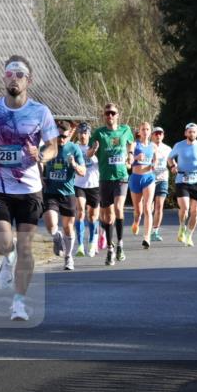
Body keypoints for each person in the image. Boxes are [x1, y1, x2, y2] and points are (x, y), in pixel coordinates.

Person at [0, 55, 58, 321]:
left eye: (19, 75)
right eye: (9, 74)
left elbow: (54, 146)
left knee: (25, 248)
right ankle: (6, 261)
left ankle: (19, 301)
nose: (14, 79)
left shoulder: (40, 112)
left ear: (28, 80)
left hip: (30, 190)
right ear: (3, 78)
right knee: (3, 242)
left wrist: (41, 156)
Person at [86, 104, 135, 265]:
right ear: (104, 115)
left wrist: (131, 154)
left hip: (121, 176)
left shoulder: (125, 129)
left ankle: (120, 243)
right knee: (107, 216)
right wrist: (94, 149)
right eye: (107, 113)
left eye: (113, 113)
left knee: (119, 208)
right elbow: (88, 153)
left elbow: (131, 143)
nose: (110, 116)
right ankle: (110, 249)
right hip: (105, 178)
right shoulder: (99, 133)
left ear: (117, 115)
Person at [41, 121, 86, 270]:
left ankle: (68, 257)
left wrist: (74, 165)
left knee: (68, 227)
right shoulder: (47, 147)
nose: (61, 139)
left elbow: (83, 171)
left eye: (64, 137)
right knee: (51, 224)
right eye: (59, 136)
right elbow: (38, 164)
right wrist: (41, 177)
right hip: (50, 193)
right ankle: (56, 236)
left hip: (68, 193)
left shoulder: (74, 149)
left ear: (69, 136)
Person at [168, 122, 197, 247]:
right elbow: (170, 157)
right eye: (189, 131)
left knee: (195, 212)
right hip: (181, 180)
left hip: (196, 181)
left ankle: (189, 235)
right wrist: (173, 166)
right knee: (185, 208)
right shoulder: (179, 145)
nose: (192, 133)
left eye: (194, 131)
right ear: (185, 133)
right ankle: (182, 227)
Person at [128, 121, 158, 249]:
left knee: (147, 207)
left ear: (150, 132)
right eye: (143, 129)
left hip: (149, 178)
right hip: (135, 178)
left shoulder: (153, 146)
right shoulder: (134, 144)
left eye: (147, 129)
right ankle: (136, 221)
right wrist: (136, 157)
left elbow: (155, 160)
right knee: (138, 211)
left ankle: (147, 237)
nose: (145, 132)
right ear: (139, 132)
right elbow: (127, 160)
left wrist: (154, 164)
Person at [73, 122, 100, 257]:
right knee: (81, 212)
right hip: (79, 185)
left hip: (94, 185)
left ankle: (92, 242)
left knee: (93, 216)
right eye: (80, 133)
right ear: (77, 134)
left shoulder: (96, 147)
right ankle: (80, 246)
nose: (83, 135)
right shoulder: (75, 148)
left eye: (85, 133)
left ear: (89, 134)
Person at [150, 126, 172, 242]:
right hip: (149, 179)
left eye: (160, 133)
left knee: (159, 206)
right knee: (147, 207)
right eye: (156, 133)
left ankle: (155, 232)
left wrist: (174, 166)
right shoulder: (147, 147)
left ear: (163, 135)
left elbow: (171, 161)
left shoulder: (168, 149)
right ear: (152, 135)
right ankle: (147, 228)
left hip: (162, 179)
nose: (158, 135)